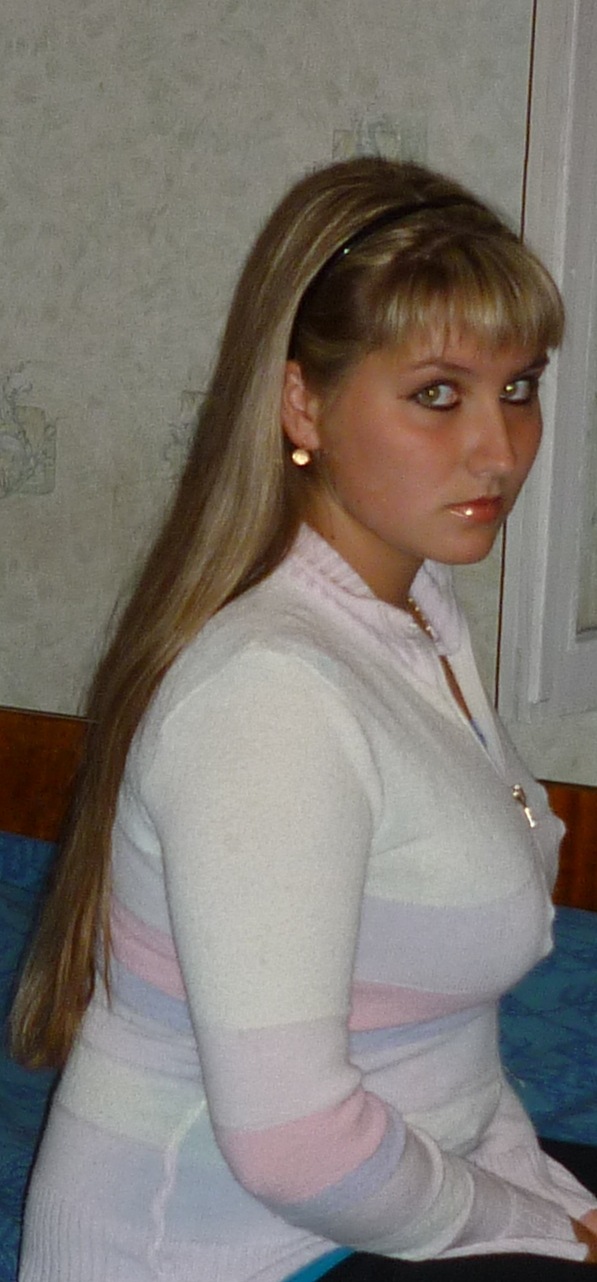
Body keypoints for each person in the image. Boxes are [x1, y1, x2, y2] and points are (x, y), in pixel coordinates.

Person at [11, 157, 597, 1282]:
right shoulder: (269, 700)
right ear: (302, 405)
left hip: (389, 1188)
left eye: (518, 386)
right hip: (234, 1252)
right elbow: (295, 1145)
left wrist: (533, 1190)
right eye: (438, 393)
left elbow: (440, 1049)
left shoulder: (414, 615)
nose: (501, 448)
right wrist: (530, 1223)